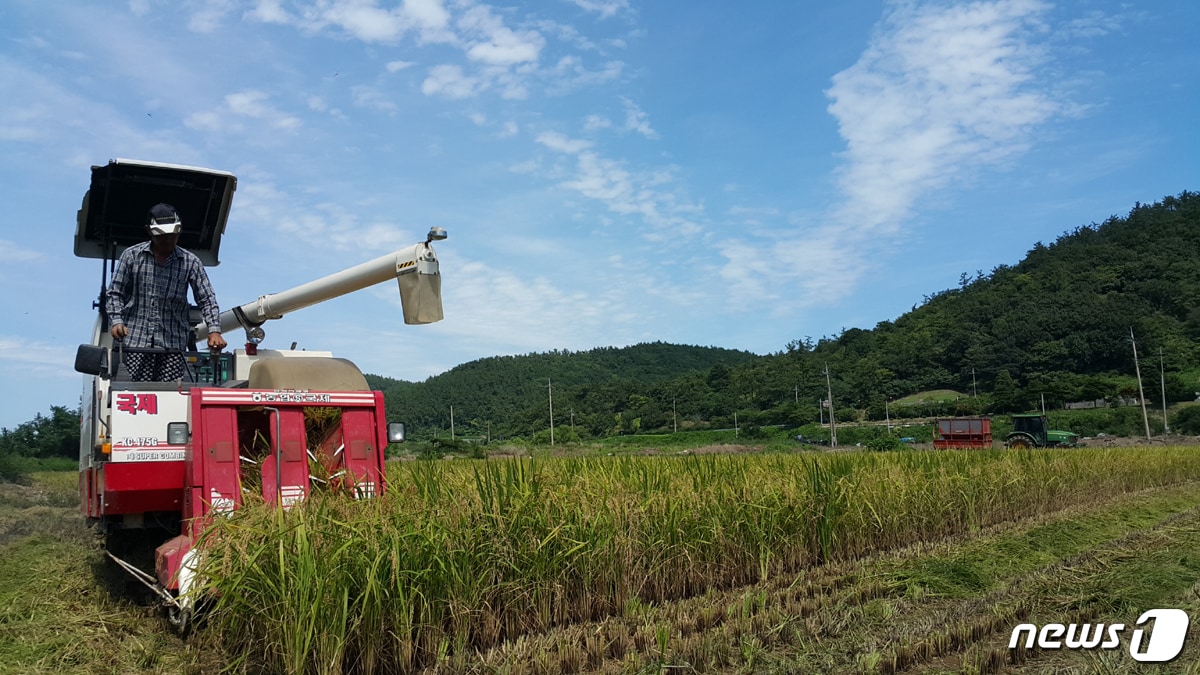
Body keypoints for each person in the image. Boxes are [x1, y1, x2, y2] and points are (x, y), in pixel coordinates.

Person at [105, 203, 227, 381]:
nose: (168, 241)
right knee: (133, 396)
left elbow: (207, 299)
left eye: (172, 236)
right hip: (135, 344)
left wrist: (214, 330)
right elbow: (115, 293)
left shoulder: (190, 262)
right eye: (162, 237)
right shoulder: (131, 256)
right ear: (149, 231)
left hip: (173, 346)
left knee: (172, 397)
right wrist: (117, 321)